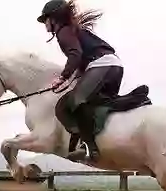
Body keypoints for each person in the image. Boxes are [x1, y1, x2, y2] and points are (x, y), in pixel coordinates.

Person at [37, 0, 124, 163]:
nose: (45, 24)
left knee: (73, 102)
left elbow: (75, 54)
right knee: (73, 105)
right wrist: (73, 77)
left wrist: (63, 76)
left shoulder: (64, 32)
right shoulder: (72, 31)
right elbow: (82, 58)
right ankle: (85, 142)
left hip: (103, 66)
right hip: (113, 67)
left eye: (45, 19)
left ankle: (90, 148)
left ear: (54, 18)